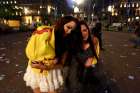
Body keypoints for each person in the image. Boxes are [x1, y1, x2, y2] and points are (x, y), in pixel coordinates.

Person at [23, 16, 80, 93]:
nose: (69, 32)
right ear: (62, 23)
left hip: (51, 72)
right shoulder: (47, 33)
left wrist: (46, 66)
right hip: (36, 71)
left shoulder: (68, 42)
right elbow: (33, 50)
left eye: (72, 30)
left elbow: (61, 64)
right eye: (68, 27)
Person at [62, 20, 100, 93]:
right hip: (74, 81)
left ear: (88, 30)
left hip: (88, 81)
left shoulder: (94, 41)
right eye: (80, 32)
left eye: (85, 30)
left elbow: (92, 62)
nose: (83, 34)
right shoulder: (73, 46)